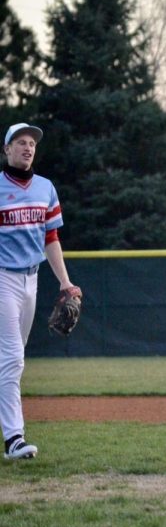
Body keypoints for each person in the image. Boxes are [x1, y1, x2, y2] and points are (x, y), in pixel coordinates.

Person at [1, 123, 80, 460]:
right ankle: (14, 439)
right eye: (20, 142)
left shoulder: (46, 188)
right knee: (13, 359)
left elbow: (51, 239)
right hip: (2, 277)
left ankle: (12, 435)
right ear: (6, 150)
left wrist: (64, 281)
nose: (28, 147)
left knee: (11, 361)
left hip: (31, 280)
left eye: (32, 143)